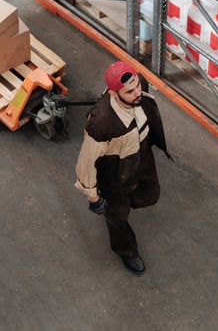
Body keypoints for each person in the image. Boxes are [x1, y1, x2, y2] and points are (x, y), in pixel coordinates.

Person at [75, 61, 171, 274]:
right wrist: (93, 196)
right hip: (114, 174)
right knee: (117, 216)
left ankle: (124, 204)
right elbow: (87, 161)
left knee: (151, 195)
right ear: (113, 92)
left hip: (142, 157)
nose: (137, 93)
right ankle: (126, 250)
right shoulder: (101, 123)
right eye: (129, 91)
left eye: (137, 86)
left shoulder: (139, 87)